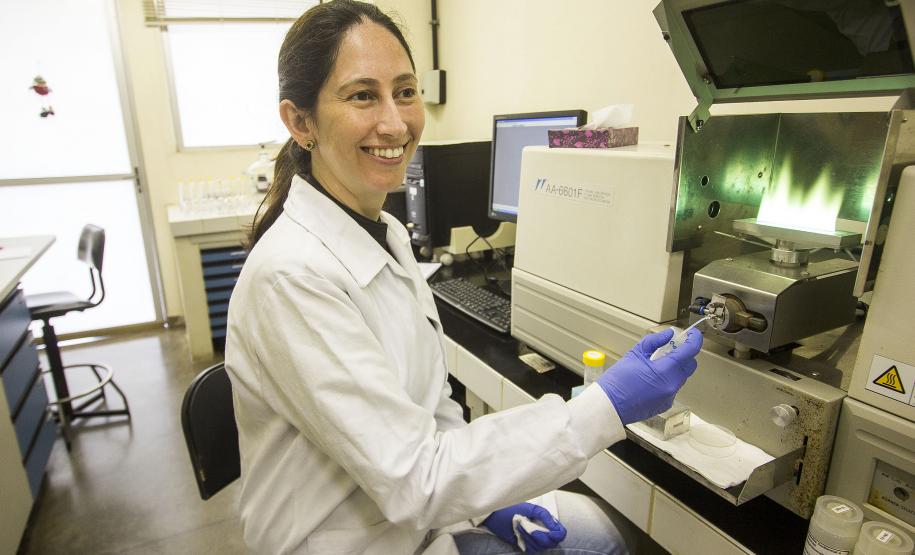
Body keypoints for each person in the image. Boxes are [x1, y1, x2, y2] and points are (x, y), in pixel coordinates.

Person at [224, 2, 703, 554]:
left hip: (410, 513)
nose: (395, 122)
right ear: (300, 121)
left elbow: (433, 408)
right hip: (351, 540)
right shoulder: (291, 278)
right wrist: (606, 406)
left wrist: (488, 501)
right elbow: (417, 480)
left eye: (405, 92)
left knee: (594, 532)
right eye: (362, 95)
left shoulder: (384, 232)